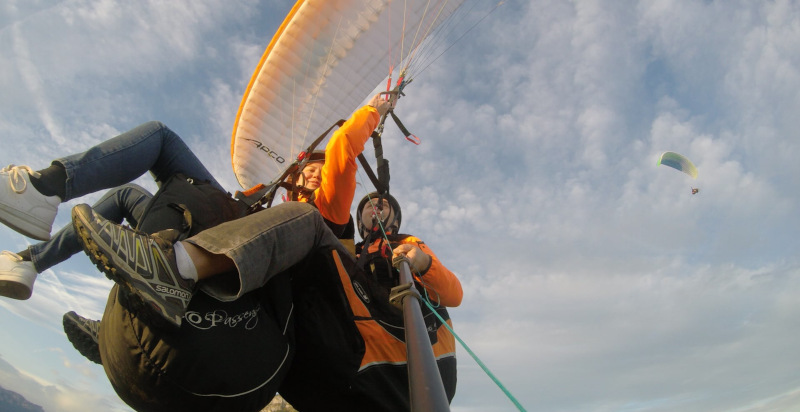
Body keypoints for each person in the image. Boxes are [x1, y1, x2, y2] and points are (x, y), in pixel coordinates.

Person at [0, 93, 394, 301]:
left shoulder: (329, 208)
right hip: (226, 225)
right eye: (309, 166)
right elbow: (242, 200)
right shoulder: (277, 203)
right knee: (126, 193)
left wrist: (375, 110)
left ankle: (42, 190)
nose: (313, 171)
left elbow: (343, 144)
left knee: (161, 137)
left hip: (226, 237)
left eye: (320, 169)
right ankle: (32, 255)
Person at [278, 192, 462, 411]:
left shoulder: (408, 243)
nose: (376, 206)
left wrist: (424, 263)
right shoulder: (350, 251)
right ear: (360, 220)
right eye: (369, 205)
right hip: (359, 358)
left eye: (384, 205)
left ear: (395, 221)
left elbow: (454, 295)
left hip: (419, 360)